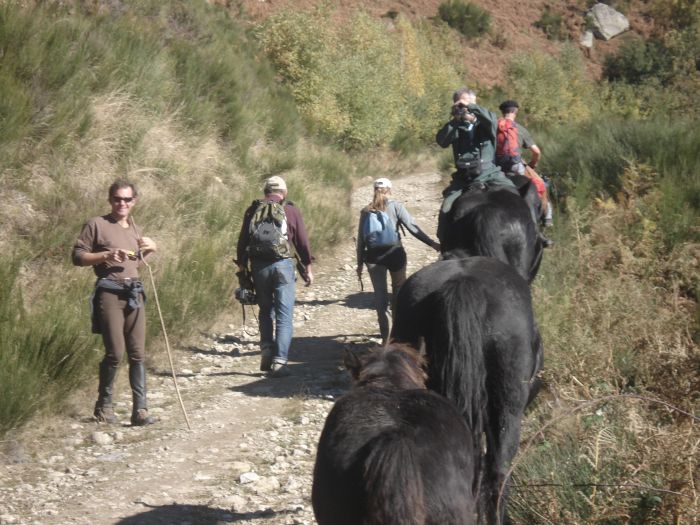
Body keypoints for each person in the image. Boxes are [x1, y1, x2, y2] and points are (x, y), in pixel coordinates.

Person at [72, 180, 158, 426]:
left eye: (127, 199)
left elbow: (135, 263)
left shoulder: (134, 228)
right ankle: (104, 406)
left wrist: (150, 250)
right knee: (115, 353)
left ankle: (140, 410)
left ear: (134, 201)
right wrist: (105, 255)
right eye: (117, 199)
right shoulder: (96, 224)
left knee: (138, 354)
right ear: (110, 200)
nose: (122, 203)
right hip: (109, 292)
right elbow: (77, 257)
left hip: (135, 292)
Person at [236, 176, 314, 378]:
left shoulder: (253, 210)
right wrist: (307, 266)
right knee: (284, 314)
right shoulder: (290, 210)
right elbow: (302, 241)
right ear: (284, 192)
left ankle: (266, 350)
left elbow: (243, 240)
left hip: (259, 266)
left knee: (265, 310)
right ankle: (280, 361)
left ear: (265, 192)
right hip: (283, 266)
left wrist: (243, 267)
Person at [356, 178, 440, 345]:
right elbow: (412, 227)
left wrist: (359, 264)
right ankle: (398, 336)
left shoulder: (366, 211)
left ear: (374, 190)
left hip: (373, 258)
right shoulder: (396, 206)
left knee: (380, 298)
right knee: (399, 294)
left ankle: (386, 340)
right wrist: (432, 244)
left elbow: (361, 240)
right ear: (389, 190)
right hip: (395, 254)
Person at [435, 87, 517, 242]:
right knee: (446, 209)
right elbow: (441, 141)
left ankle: (535, 236)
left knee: (516, 195)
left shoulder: (486, 123)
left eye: (466, 104)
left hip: (489, 174)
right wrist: (456, 120)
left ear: (475, 104)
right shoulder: (455, 126)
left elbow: (491, 119)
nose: (462, 108)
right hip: (463, 179)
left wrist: (469, 106)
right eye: (458, 105)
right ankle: (445, 246)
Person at [495, 99, 554, 229]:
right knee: (541, 184)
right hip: (516, 167)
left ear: (502, 111)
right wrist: (532, 165)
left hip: (495, 168)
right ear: (516, 112)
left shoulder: (493, 127)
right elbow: (537, 152)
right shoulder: (519, 129)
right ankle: (547, 216)